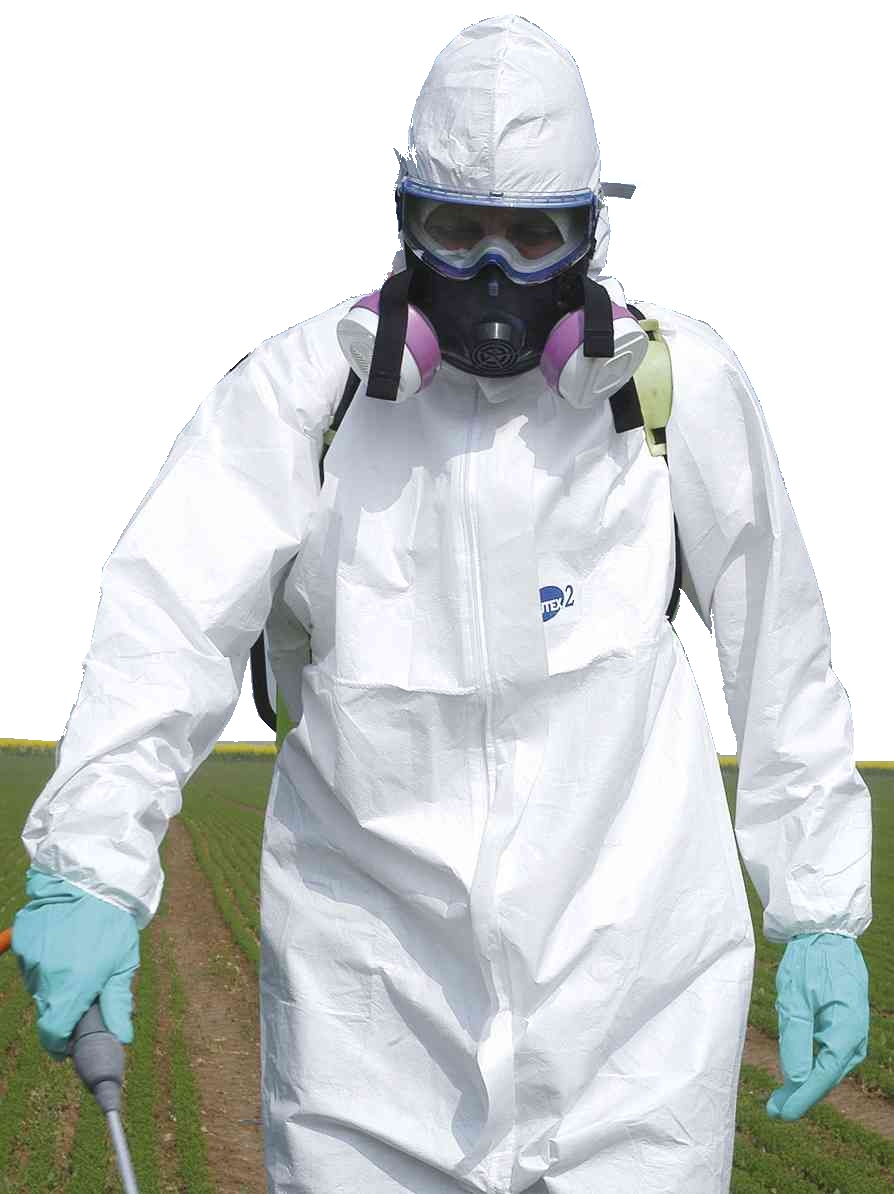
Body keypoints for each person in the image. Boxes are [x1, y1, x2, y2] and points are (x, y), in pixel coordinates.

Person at [12, 15, 872, 1194]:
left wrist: (819, 910)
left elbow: (783, 650)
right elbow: (163, 630)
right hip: (371, 1026)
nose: (493, 275)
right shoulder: (300, 401)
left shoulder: (676, 396)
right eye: (456, 233)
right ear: (404, 220)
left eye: (533, 236)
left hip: (637, 1016)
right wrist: (91, 866)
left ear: (592, 233)